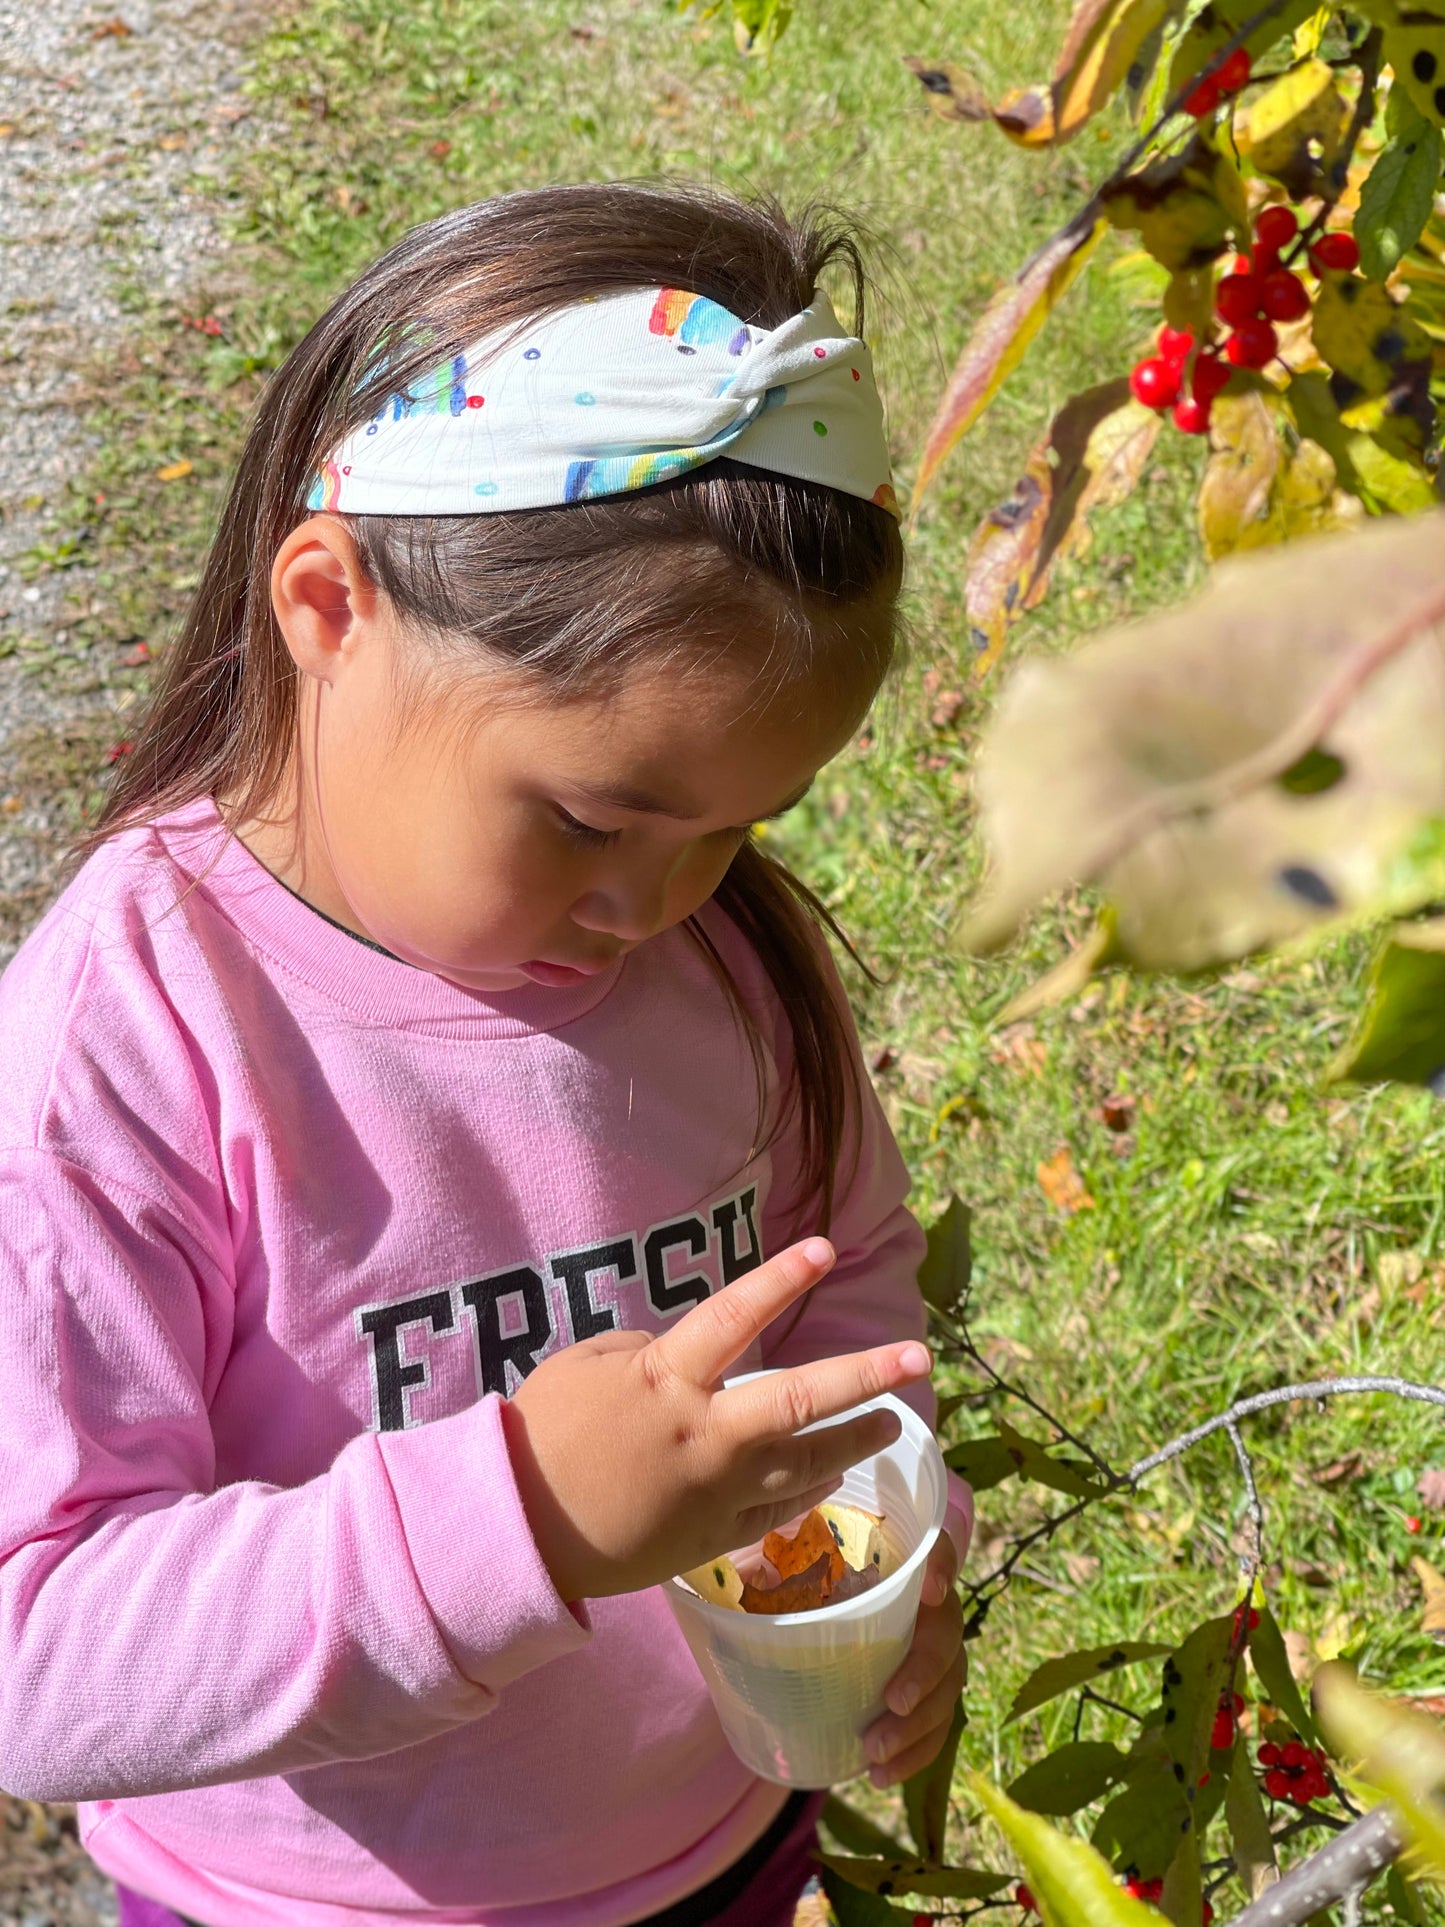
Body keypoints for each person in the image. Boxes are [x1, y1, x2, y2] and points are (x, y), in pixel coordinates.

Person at [0, 180, 973, 1927]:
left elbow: (846, 1292)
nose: (659, 900)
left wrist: (898, 1549)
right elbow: (40, 1648)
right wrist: (516, 1517)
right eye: (595, 818)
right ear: (327, 604)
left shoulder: (726, 964)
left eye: (739, 828)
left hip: (721, 1847)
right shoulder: (131, 1039)